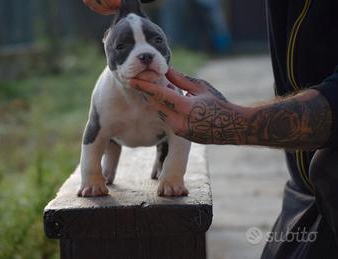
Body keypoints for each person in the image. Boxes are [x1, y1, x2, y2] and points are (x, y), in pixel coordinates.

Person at [82, 1, 338, 258]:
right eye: (125, 46)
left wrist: (235, 122)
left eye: (156, 42)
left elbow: (179, 135)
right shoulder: (106, 95)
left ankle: (163, 166)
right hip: (302, 186)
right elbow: (95, 133)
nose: (145, 53)